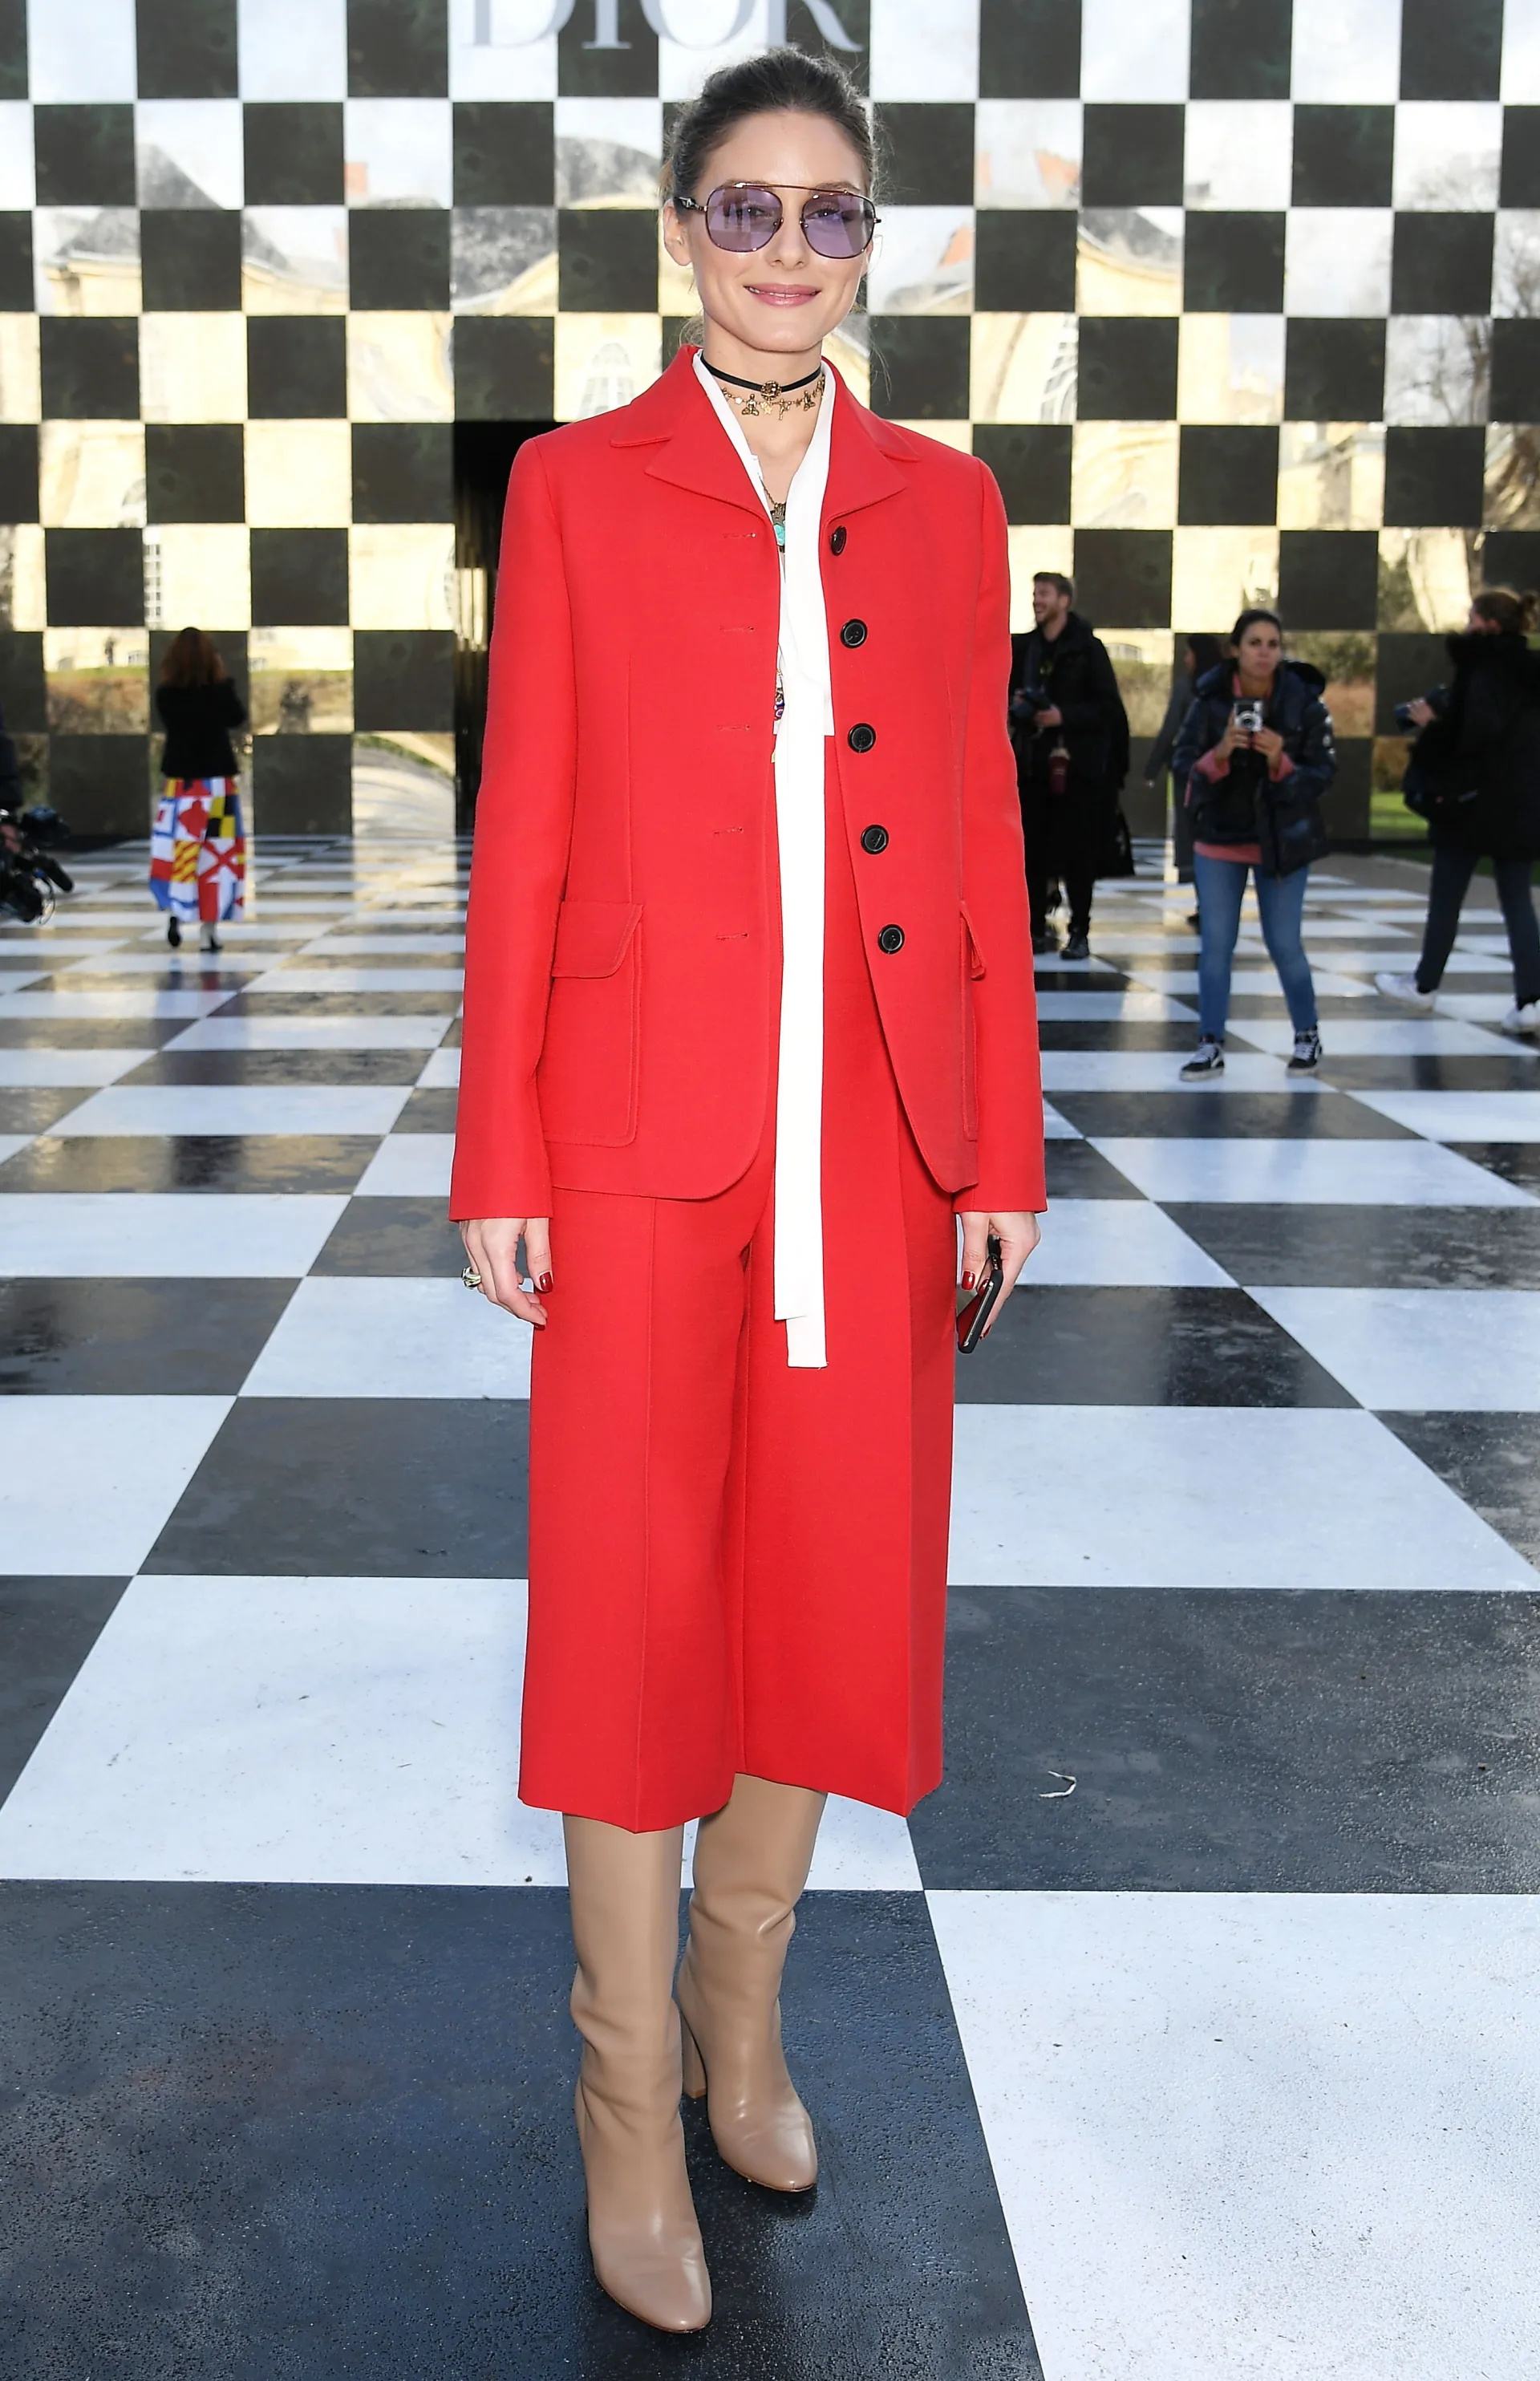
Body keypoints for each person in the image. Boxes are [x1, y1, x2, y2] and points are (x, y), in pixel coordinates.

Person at [450, 47, 1043, 2336]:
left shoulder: (947, 504)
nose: (788, 249)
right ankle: (624, 2103)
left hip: (877, 1139)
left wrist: (997, 1149)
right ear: (683, 225)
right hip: (635, 1134)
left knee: (823, 1588)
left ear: (870, 240)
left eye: (829, 212)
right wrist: (503, 1143)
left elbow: (977, 839)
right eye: (745, 206)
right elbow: (526, 822)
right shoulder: (573, 487)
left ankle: (739, 2015)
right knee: (630, 1611)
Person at [1171, 606, 1335, 1077]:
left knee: (1284, 943)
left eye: (1273, 644)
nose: (1264, 653)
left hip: (1281, 842)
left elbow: (1323, 773)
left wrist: (1281, 761)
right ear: (1235, 650)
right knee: (1216, 944)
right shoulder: (1209, 700)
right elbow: (1184, 765)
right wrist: (1221, 753)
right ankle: (1209, 1043)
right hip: (1219, 839)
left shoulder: (1303, 701)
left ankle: (1307, 1035)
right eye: (1255, 643)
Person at [1375, 587, 1540, 1038]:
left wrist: (1434, 725)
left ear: (1488, 624)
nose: (1466, 626)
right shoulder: (1529, 673)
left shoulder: (1480, 669)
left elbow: (1474, 737)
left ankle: (1424, 985)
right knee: (1518, 904)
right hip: (1519, 806)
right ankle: (1531, 1000)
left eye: (1471, 618)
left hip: (1472, 804)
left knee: (1446, 899)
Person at [1009, 571, 1127, 961]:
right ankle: (1033, 929)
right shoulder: (1026, 648)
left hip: (1078, 771)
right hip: (1032, 767)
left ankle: (1079, 931)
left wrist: (1063, 716)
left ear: (1064, 600)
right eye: (1035, 593)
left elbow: (1108, 708)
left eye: (1044, 594)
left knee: (1080, 855)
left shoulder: (1088, 650)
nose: (1036, 601)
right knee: (1031, 851)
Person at [149, 627, 246, 952]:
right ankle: (209, 931)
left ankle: (176, 911)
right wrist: (223, 682)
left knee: (179, 850)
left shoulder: (166, 695)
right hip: (217, 785)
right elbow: (237, 717)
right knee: (217, 855)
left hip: (181, 786)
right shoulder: (219, 693)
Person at [1145, 632, 1225, 919]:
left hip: (1192, 774)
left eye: (1190, 653)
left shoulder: (1187, 688)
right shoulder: (1224, 686)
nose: (1187, 659)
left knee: (1192, 835)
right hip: (1220, 773)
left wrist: (1152, 768)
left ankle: (1205, 903)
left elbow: (1170, 729)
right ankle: (1212, 904)